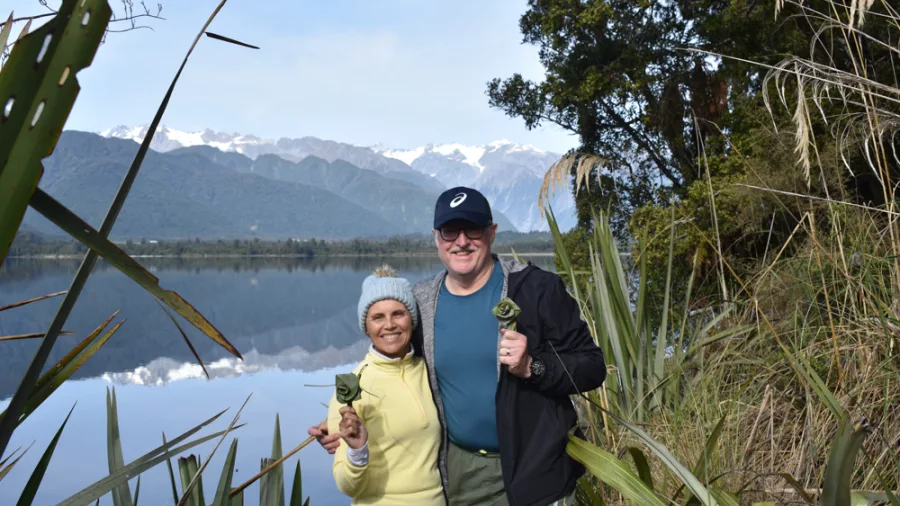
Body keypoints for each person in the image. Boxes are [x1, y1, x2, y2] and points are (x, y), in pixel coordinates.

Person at [310, 187, 607, 506]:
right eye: (450, 231)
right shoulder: (421, 302)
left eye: (473, 229)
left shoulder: (536, 289)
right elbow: (399, 371)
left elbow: (592, 366)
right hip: (460, 474)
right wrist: (350, 423)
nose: (461, 241)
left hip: (537, 468)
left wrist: (532, 366)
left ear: (491, 232)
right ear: (437, 238)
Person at [324, 265, 444, 505]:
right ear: (366, 327)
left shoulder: (430, 371)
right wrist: (357, 451)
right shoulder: (352, 387)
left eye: (398, 313)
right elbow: (347, 486)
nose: (389, 325)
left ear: (412, 319)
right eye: (378, 317)